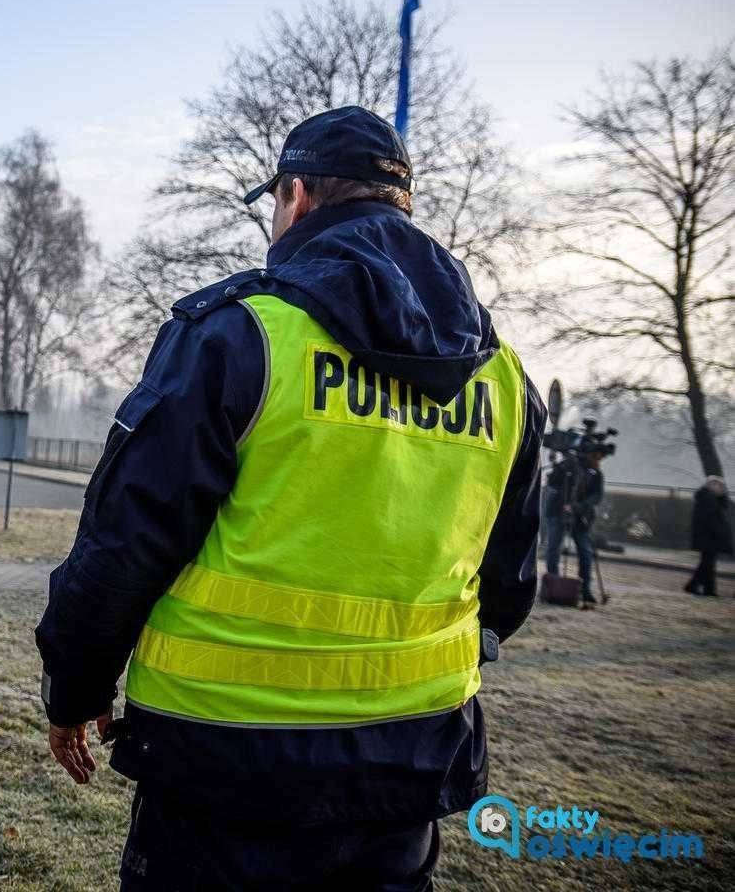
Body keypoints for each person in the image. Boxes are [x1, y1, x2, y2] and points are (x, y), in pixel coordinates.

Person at [35, 106, 544, 891]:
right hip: (407, 762)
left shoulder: (238, 335)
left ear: (297, 197)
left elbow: (125, 545)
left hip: (223, 760)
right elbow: (505, 589)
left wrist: (74, 689)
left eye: (274, 203)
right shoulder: (502, 377)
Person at [544, 449, 606, 607]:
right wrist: (563, 466)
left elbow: (596, 496)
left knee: (585, 552)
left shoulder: (595, 474)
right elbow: (552, 481)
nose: (598, 461)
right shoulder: (566, 467)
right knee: (553, 549)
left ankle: (585, 589)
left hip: (580, 517)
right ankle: (553, 586)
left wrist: (579, 507)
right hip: (557, 511)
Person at [687, 475, 730, 597]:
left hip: (708, 536)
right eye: (718, 485)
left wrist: (722, 496)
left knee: (707, 564)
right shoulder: (707, 500)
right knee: (707, 564)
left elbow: (722, 508)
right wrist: (720, 533)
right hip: (708, 536)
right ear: (711, 485)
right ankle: (696, 587)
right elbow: (711, 520)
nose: (720, 488)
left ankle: (706, 589)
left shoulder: (709, 499)